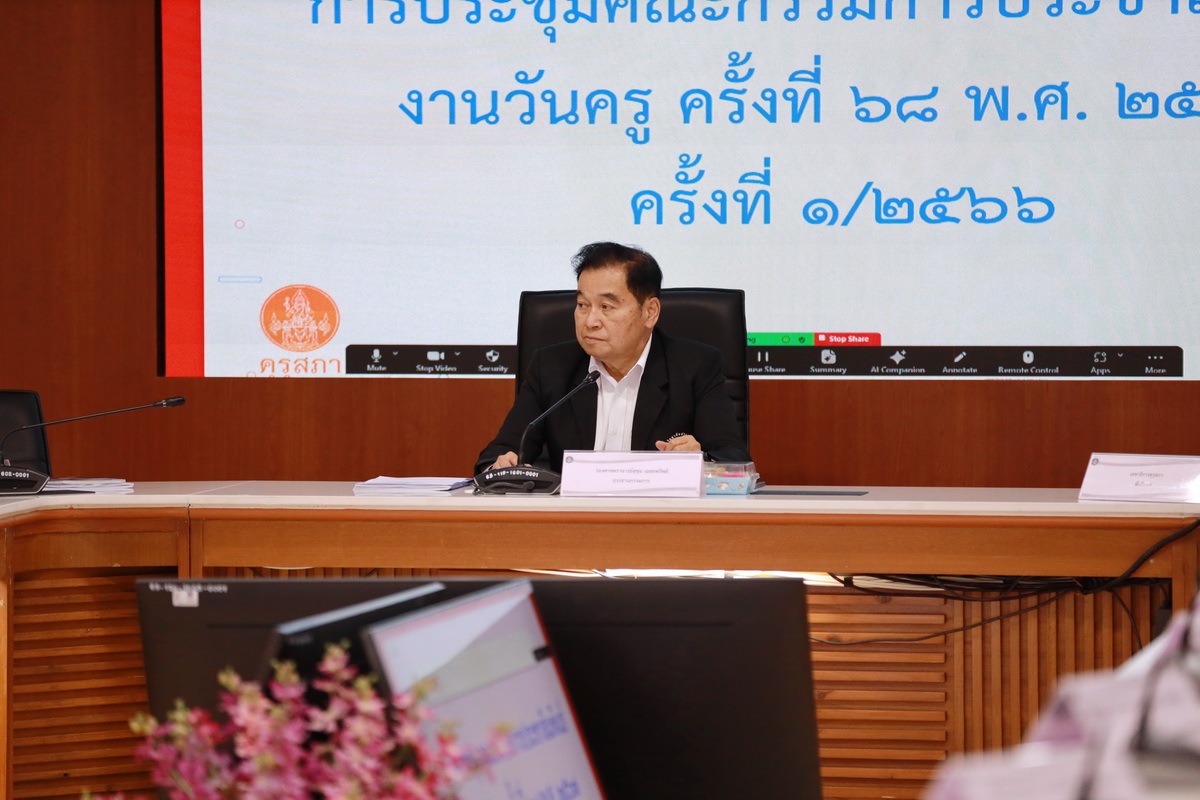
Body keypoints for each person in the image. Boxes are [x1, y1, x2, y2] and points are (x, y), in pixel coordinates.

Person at [475, 242, 750, 474]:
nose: (590, 321)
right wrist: (501, 466)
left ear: (650, 312)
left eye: (606, 306)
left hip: (660, 516)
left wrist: (700, 460)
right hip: (573, 517)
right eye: (582, 305)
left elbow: (733, 460)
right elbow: (497, 455)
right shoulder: (551, 367)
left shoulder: (695, 366)